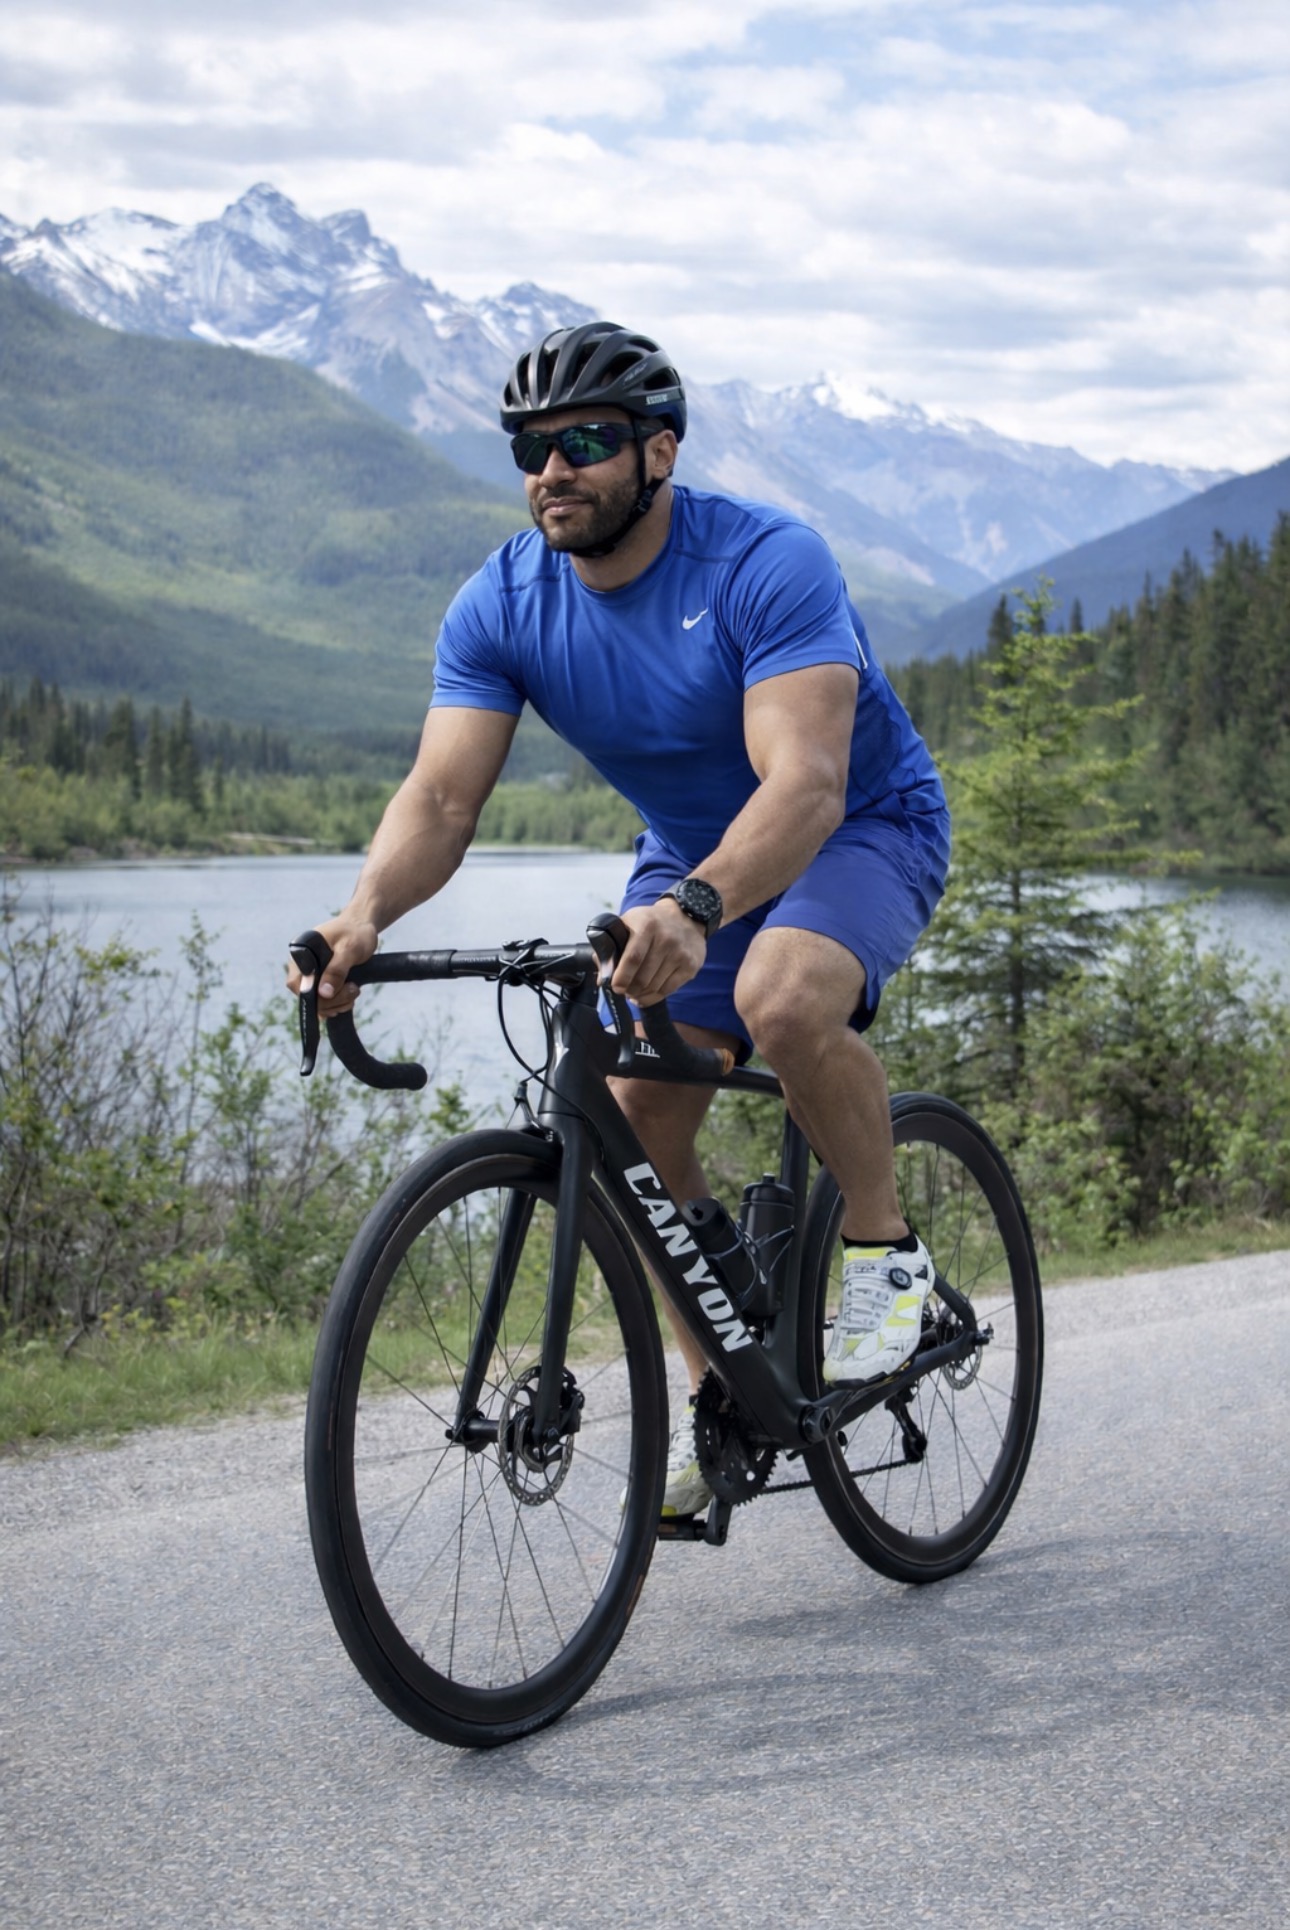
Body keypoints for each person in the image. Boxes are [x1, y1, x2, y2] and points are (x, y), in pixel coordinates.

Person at [289, 320, 951, 1518]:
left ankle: (881, 1245)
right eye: (531, 448)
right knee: (635, 1115)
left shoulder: (763, 560)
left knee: (783, 995)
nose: (554, 469)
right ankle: (727, 1397)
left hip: (859, 824)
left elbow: (803, 780)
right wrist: (361, 916)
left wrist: (698, 906)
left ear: (660, 452)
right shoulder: (501, 603)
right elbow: (440, 796)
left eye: (585, 441)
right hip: (692, 859)